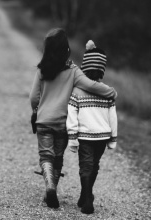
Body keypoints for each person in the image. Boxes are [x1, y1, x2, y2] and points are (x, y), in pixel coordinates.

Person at [29, 29, 117, 209]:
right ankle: (53, 188)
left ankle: (50, 187)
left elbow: (33, 97)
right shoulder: (73, 71)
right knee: (58, 157)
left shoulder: (41, 70)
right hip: (62, 123)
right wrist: (111, 92)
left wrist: (36, 110)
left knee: (46, 155)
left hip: (44, 121)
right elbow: (91, 85)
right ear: (66, 49)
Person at [66, 40, 118, 214]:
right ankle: (86, 194)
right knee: (94, 165)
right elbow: (113, 117)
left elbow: (72, 115)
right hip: (102, 136)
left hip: (85, 136)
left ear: (84, 68)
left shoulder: (77, 91)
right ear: (102, 70)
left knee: (85, 166)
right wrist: (113, 138)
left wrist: (72, 138)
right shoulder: (106, 92)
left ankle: (87, 198)